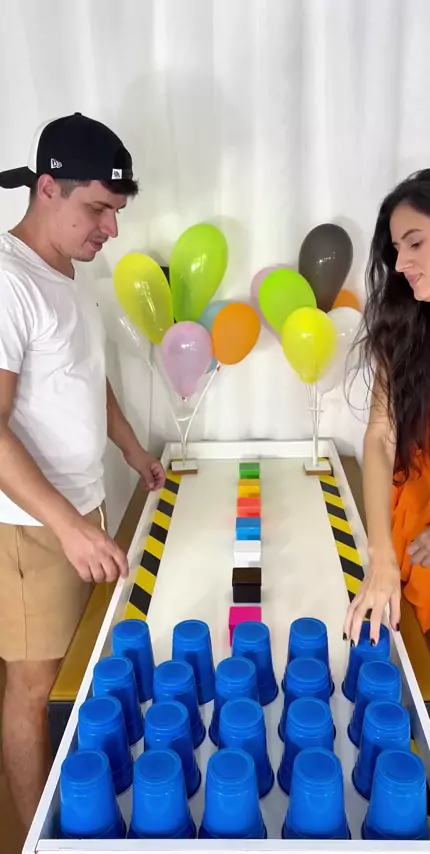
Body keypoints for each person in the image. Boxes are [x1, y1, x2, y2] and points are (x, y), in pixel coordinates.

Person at [0, 112, 165, 829]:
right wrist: (68, 529)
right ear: (48, 189)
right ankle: (35, 837)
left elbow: (88, 381)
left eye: (116, 211)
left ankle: (81, 817)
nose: (112, 229)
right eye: (99, 209)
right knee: (35, 690)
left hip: (78, 512)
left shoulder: (65, 275)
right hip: (31, 531)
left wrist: (131, 450)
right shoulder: (8, 281)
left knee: (78, 677)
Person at [344, 168, 430, 850]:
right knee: (399, 701)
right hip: (406, 545)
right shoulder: (406, 332)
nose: (401, 264)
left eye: (415, 242)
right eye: (395, 249)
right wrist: (380, 557)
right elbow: (380, 438)